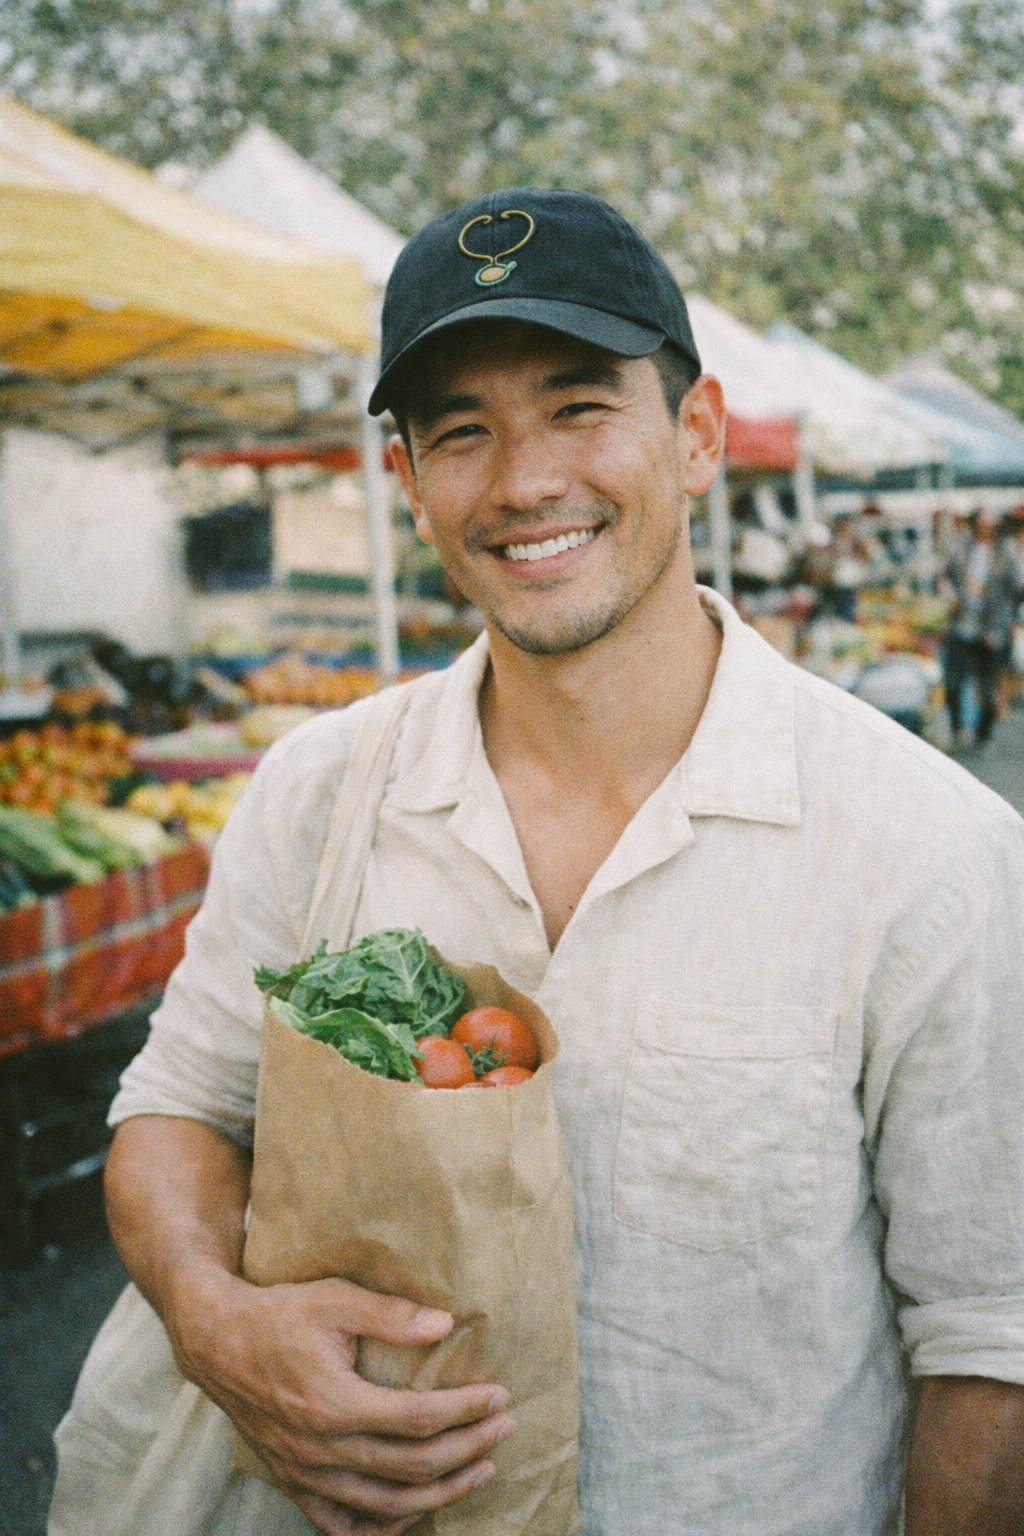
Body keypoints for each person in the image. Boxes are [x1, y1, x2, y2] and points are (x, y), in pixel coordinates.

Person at [52, 190, 1024, 1536]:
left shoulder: (932, 852)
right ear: (406, 484)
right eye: (461, 431)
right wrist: (217, 1325)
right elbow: (175, 1115)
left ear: (692, 438)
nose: (521, 482)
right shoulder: (320, 796)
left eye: (579, 407)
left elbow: (990, 1341)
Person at [940, 507, 1017, 746]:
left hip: (992, 629)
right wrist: (951, 595)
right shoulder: (961, 548)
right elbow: (943, 577)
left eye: (990, 524)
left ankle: (982, 734)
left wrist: (1003, 617)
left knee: (988, 686)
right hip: (961, 624)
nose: (986, 528)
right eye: (982, 523)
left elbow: (1017, 589)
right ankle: (957, 728)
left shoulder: (1006, 553)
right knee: (952, 682)